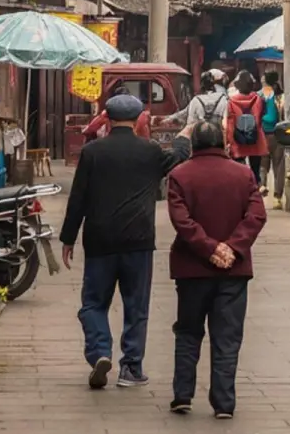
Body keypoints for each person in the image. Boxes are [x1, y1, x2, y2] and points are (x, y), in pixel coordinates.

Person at [60, 94, 193, 390]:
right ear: (138, 120)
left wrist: (68, 238)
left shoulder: (93, 152)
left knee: (93, 304)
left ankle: (99, 352)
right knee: (136, 306)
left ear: (106, 118)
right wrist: (184, 138)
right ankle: (131, 368)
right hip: (138, 240)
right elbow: (175, 158)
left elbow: (78, 197)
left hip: (99, 241)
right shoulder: (149, 151)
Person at [167, 120, 266, 418]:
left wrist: (209, 248)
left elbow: (181, 220)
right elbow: (257, 215)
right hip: (233, 271)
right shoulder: (243, 174)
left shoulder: (179, 175)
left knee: (188, 332)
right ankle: (224, 403)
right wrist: (232, 248)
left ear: (193, 145)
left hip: (192, 268)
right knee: (227, 336)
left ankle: (183, 395)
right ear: (223, 143)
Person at [224, 69, 267, 183]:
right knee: (255, 173)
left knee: (238, 173)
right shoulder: (259, 99)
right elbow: (260, 118)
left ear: (237, 85)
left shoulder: (231, 101)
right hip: (255, 138)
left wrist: (228, 141)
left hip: (238, 140)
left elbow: (230, 123)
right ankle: (255, 192)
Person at [162, 68, 230, 130]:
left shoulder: (196, 100)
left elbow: (188, 119)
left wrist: (166, 119)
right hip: (219, 139)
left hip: (199, 139)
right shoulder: (225, 100)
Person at [82, 84, 152, 141]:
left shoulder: (107, 113)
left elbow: (91, 129)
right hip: (138, 148)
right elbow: (146, 136)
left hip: (112, 145)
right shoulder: (142, 114)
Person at [260, 73, 285, 208]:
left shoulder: (266, 95)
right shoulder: (283, 96)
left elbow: (270, 117)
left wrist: (258, 117)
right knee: (278, 167)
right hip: (280, 136)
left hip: (267, 134)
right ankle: (278, 197)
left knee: (263, 164)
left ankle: (262, 187)